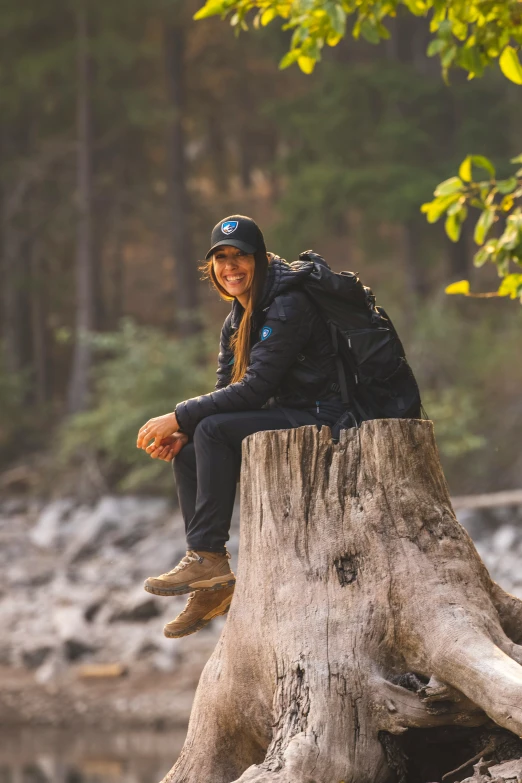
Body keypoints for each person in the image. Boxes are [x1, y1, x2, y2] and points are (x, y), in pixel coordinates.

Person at [136, 215, 347, 638]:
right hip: (291, 412)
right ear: (211, 267)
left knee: (209, 428)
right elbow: (226, 390)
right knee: (195, 442)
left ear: (260, 259)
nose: (230, 266)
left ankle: (207, 555)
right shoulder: (237, 319)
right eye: (221, 258)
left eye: (240, 256)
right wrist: (183, 432)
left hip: (325, 416)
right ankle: (211, 578)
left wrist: (178, 415)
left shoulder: (288, 304)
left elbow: (253, 391)